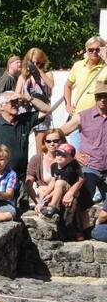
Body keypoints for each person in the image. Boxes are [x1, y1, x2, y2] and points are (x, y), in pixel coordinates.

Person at [0, 91, 48, 186]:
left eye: (17, 102)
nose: (16, 105)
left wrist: (26, 97)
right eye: (12, 102)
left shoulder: (24, 121)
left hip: (21, 178)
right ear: (1, 106)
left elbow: (46, 110)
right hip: (1, 179)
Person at [59, 80, 107, 216]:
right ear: (95, 98)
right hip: (89, 166)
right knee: (82, 204)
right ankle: (80, 227)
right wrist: (73, 153)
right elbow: (59, 133)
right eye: (100, 96)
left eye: (106, 96)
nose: (103, 100)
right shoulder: (83, 116)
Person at [35, 144, 90, 228]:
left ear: (71, 158)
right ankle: (43, 205)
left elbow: (81, 179)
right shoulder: (54, 166)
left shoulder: (73, 166)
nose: (60, 157)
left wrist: (70, 193)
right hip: (59, 188)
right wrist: (44, 197)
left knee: (59, 182)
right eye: (58, 154)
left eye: (64, 155)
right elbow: (52, 182)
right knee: (42, 188)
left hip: (71, 189)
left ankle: (52, 206)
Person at [14, 48, 54, 150]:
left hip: (42, 111)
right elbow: (16, 94)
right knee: (22, 143)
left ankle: (40, 160)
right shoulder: (23, 77)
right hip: (26, 111)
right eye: (32, 62)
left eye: (38, 62)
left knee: (40, 146)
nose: (35, 65)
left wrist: (38, 70)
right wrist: (22, 98)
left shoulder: (47, 73)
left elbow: (51, 84)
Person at [63, 36, 105, 119]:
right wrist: (68, 105)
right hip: (78, 114)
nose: (94, 52)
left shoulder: (105, 67)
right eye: (91, 50)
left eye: (98, 49)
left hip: (100, 116)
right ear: (86, 50)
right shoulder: (78, 65)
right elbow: (67, 86)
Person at [26, 128, 65, 208]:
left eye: (55, 141)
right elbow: (29, 183)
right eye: (48, 141)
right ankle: (44, 208)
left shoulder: (66, 158)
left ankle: (50, 208)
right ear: (44, 142)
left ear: (62, 141)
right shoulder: (37, 159)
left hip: (62, 192)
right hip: (44, 194)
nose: (52, 144)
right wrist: (37, 202)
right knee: (41, 189)